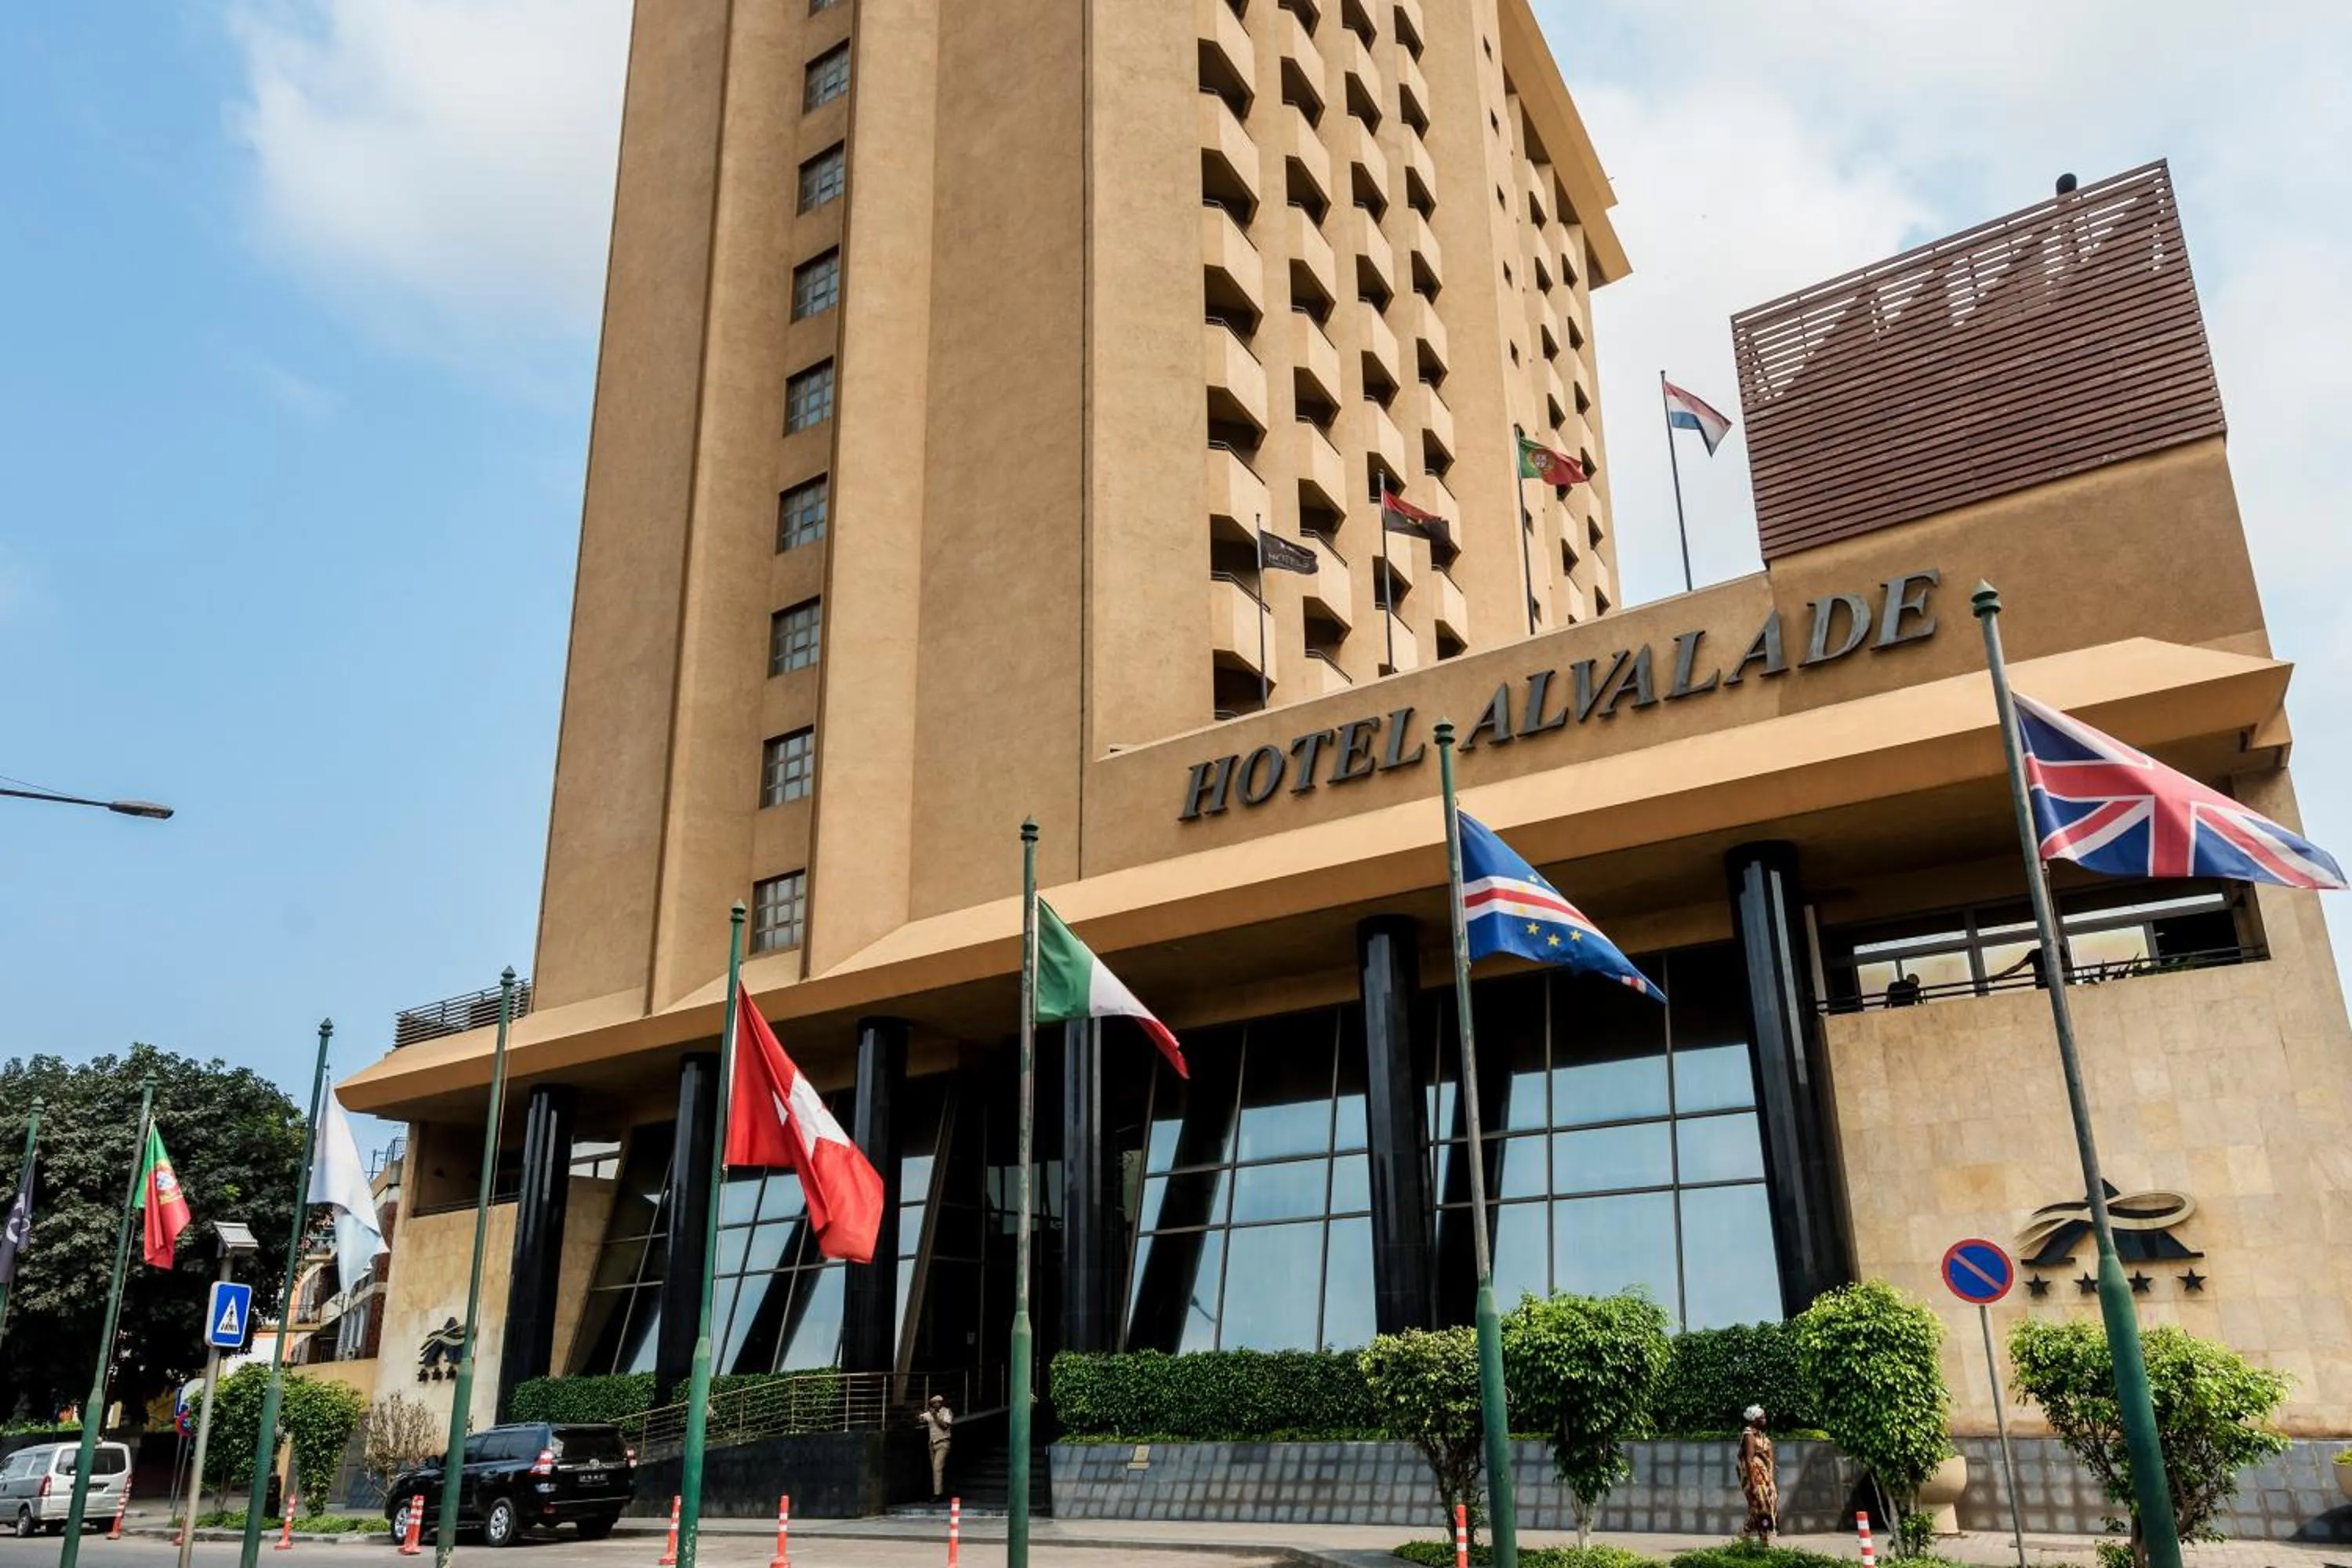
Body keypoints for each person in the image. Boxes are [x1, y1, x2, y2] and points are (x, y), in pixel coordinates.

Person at [1738, 1404, 1778, 1545]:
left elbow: (1771, 1461)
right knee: (1760, 1505)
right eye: (1762, 1418)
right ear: (1754, 1420)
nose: (1765, 1420)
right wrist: (1753, 1484)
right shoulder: (1749, 1435)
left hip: (1765, 1477)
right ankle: (1764, 1540)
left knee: (1766, 1503)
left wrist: (1771, 1482)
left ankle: (1745, 1533)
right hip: (1753, 1477)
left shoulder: (1765, 1439)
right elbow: (1749, 1461)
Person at [919, 1395, 953, 1499]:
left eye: (937, 1402)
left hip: (943, 1442)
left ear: (941, 1403)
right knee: (935, 1469)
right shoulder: (930, 1413)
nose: (936, 1405)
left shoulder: (947, 1412)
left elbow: (945, 1426)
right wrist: (920, 1416)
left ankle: (937, 1494)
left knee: (937, 1468)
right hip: (932, 1443)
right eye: (934, 1403)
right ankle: (937, 1490)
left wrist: (935, 1417)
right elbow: (921, 1419)